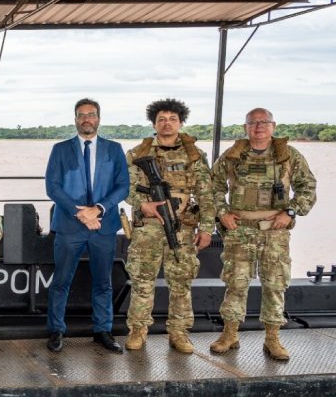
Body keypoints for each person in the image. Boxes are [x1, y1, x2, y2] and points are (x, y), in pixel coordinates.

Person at [209, 108, 316, 361]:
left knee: (275, 284)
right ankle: (230, 334)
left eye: (264, 122)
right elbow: (211, 185)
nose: (259, 127)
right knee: (235, 284)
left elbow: (307, 187)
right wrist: (222, 211)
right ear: (246, 127)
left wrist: (290, 212)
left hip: (274, 231)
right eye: (253, 123)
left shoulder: (289, 155)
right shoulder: (234, 155)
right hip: (240, 230)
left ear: (273, 126)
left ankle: (272, 338)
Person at [123, 99, 214, 354]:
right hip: (148, 229)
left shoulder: (193, 154)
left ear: (181, 122)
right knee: (142, 281)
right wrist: (143, 205)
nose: (167, 123)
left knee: (181, 282)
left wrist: (206, 228)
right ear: (154, 123)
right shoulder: (138, 153)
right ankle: (138, 331)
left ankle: (179, 333)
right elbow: (125, 188)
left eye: (172, 119)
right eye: (162, 119)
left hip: (182, 229)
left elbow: (206, 194)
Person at [44, 98, 129, 353]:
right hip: (70, 225)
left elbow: (123, 186)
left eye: (91, 114)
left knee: (103, 282)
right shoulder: (60, 149)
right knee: (61, 281)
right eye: (81, 115)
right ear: (75, 120)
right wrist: (79, 213)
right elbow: (53, 187)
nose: (86, 119)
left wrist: (98, 209)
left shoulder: (114, 149)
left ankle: (102, 330)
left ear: (99, 119)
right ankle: (56, 330)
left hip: (103, 226)